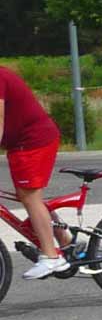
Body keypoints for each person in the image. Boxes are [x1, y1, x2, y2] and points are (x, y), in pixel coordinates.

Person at [0, 65, 68, 279]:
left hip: (33, 141)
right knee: (27, 194)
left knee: (30, 196)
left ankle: (51, 257)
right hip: (21, 144)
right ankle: (66, 243)